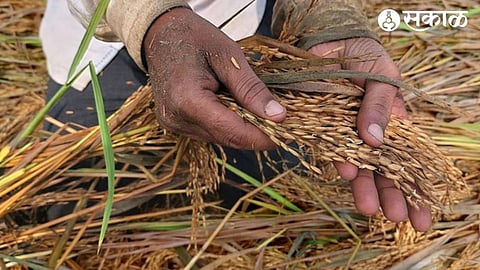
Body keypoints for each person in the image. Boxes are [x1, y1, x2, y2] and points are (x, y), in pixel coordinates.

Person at [39, 0, 431, 231]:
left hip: (244, 27)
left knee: (263, 186)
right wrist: (149, 18)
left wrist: (329, 17)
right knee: (74, 206)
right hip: (99, 37)